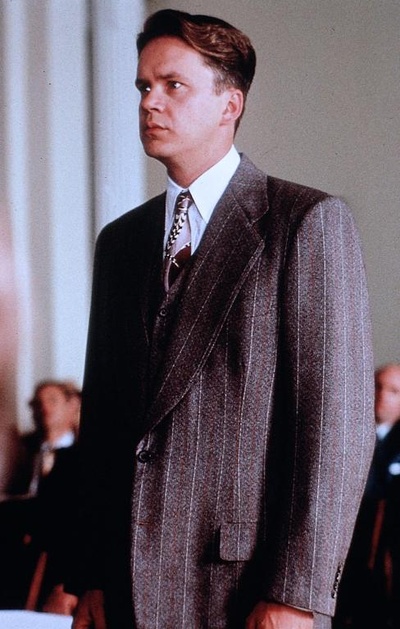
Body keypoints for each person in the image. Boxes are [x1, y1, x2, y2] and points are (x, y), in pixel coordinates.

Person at [68, 9, 375, 629]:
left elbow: (335, 430)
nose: (149, 102)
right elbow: (102, 426)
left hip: (244, 591)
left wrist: (296, 596)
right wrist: (93, 577)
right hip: (124, 590)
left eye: (172, 85)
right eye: (143, 86)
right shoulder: (120, 243)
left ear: (229, 104)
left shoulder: (305, 223)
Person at [0, 380, 81, 613]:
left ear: (72, 405)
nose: (44, 408)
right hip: (14, 553)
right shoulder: (21, 448)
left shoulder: (84, 454)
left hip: (57, 558)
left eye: (52, 401)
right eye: (37, 403)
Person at [333, 363, 400, 629]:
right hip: (344, 548)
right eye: (377, 386)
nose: (382, 396)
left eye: (394, 391)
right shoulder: (344, 433)